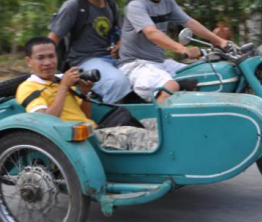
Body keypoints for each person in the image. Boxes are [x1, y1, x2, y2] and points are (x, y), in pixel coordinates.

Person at [119, 0, 231, 102]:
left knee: (200, 74)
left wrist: (220, 41)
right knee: (169, 86)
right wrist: (182, 49)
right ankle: (154, 124)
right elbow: (151, 33)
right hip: (135, 65)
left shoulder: (167, 1)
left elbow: (190, 23)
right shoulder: (136, 5)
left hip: (159, 63)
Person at [16, 36, 158, 151]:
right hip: (74, 140)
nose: (48, 62)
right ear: (29, 61)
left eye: (51, 56)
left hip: (93, 132)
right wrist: (64, 86)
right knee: (149, 138)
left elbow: (86, 115)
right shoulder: (28, 87)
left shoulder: (60, 80)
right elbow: (45, 122)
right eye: (41, 58)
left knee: (158, 125)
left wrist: (85, 93)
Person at [48, 0, 132, 104]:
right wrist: (45, 71)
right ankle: (113, 122)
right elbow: (52, 40)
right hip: (82, 61)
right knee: (117, 83)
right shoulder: (74, 6)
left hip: (110, 59)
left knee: (144, 76)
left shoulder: (111, 4)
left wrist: (119, 44)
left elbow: (122, 32)